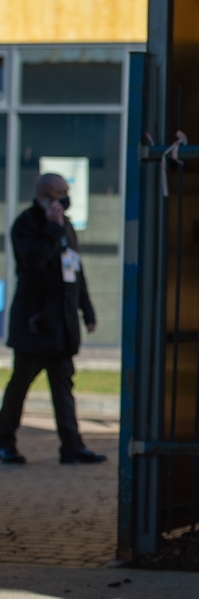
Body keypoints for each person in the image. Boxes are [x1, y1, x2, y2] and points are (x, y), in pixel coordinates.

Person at [0, 173, 105, 465]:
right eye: (60, 192)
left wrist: (87, 309)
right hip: (34, 325)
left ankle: (71, 447)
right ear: (44, 195)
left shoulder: (65, 227)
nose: (65, 197)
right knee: (20, 385)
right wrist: (51, 229)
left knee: (63, 388)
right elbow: (32, 261)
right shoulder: (27, 225)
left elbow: (74, 272)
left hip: (61, 327)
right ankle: (5, 442)